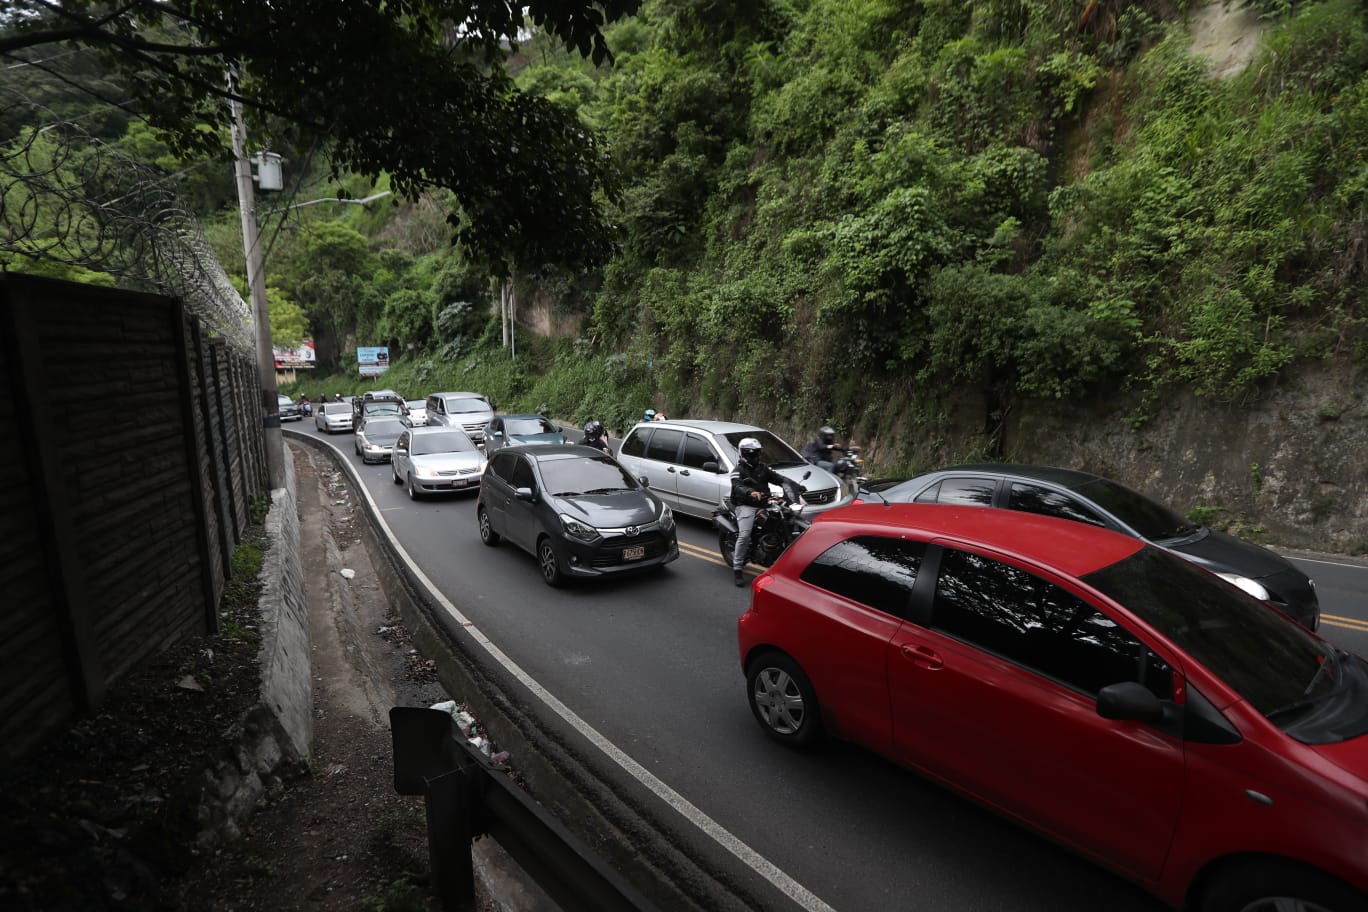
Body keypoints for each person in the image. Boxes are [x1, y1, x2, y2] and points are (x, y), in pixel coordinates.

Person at [729, 437, 800, 587]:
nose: (754, 457)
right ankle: (737, 568)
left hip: (764, 502)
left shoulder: (763, 468)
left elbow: (780, 478)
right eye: (751, 454)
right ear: (744, 454)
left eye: (756, 454)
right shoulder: (738, 471)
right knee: (745, 535)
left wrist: (794, 485)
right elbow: (737, 486)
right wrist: (750, 492)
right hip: (745, 505)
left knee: (783, 519)